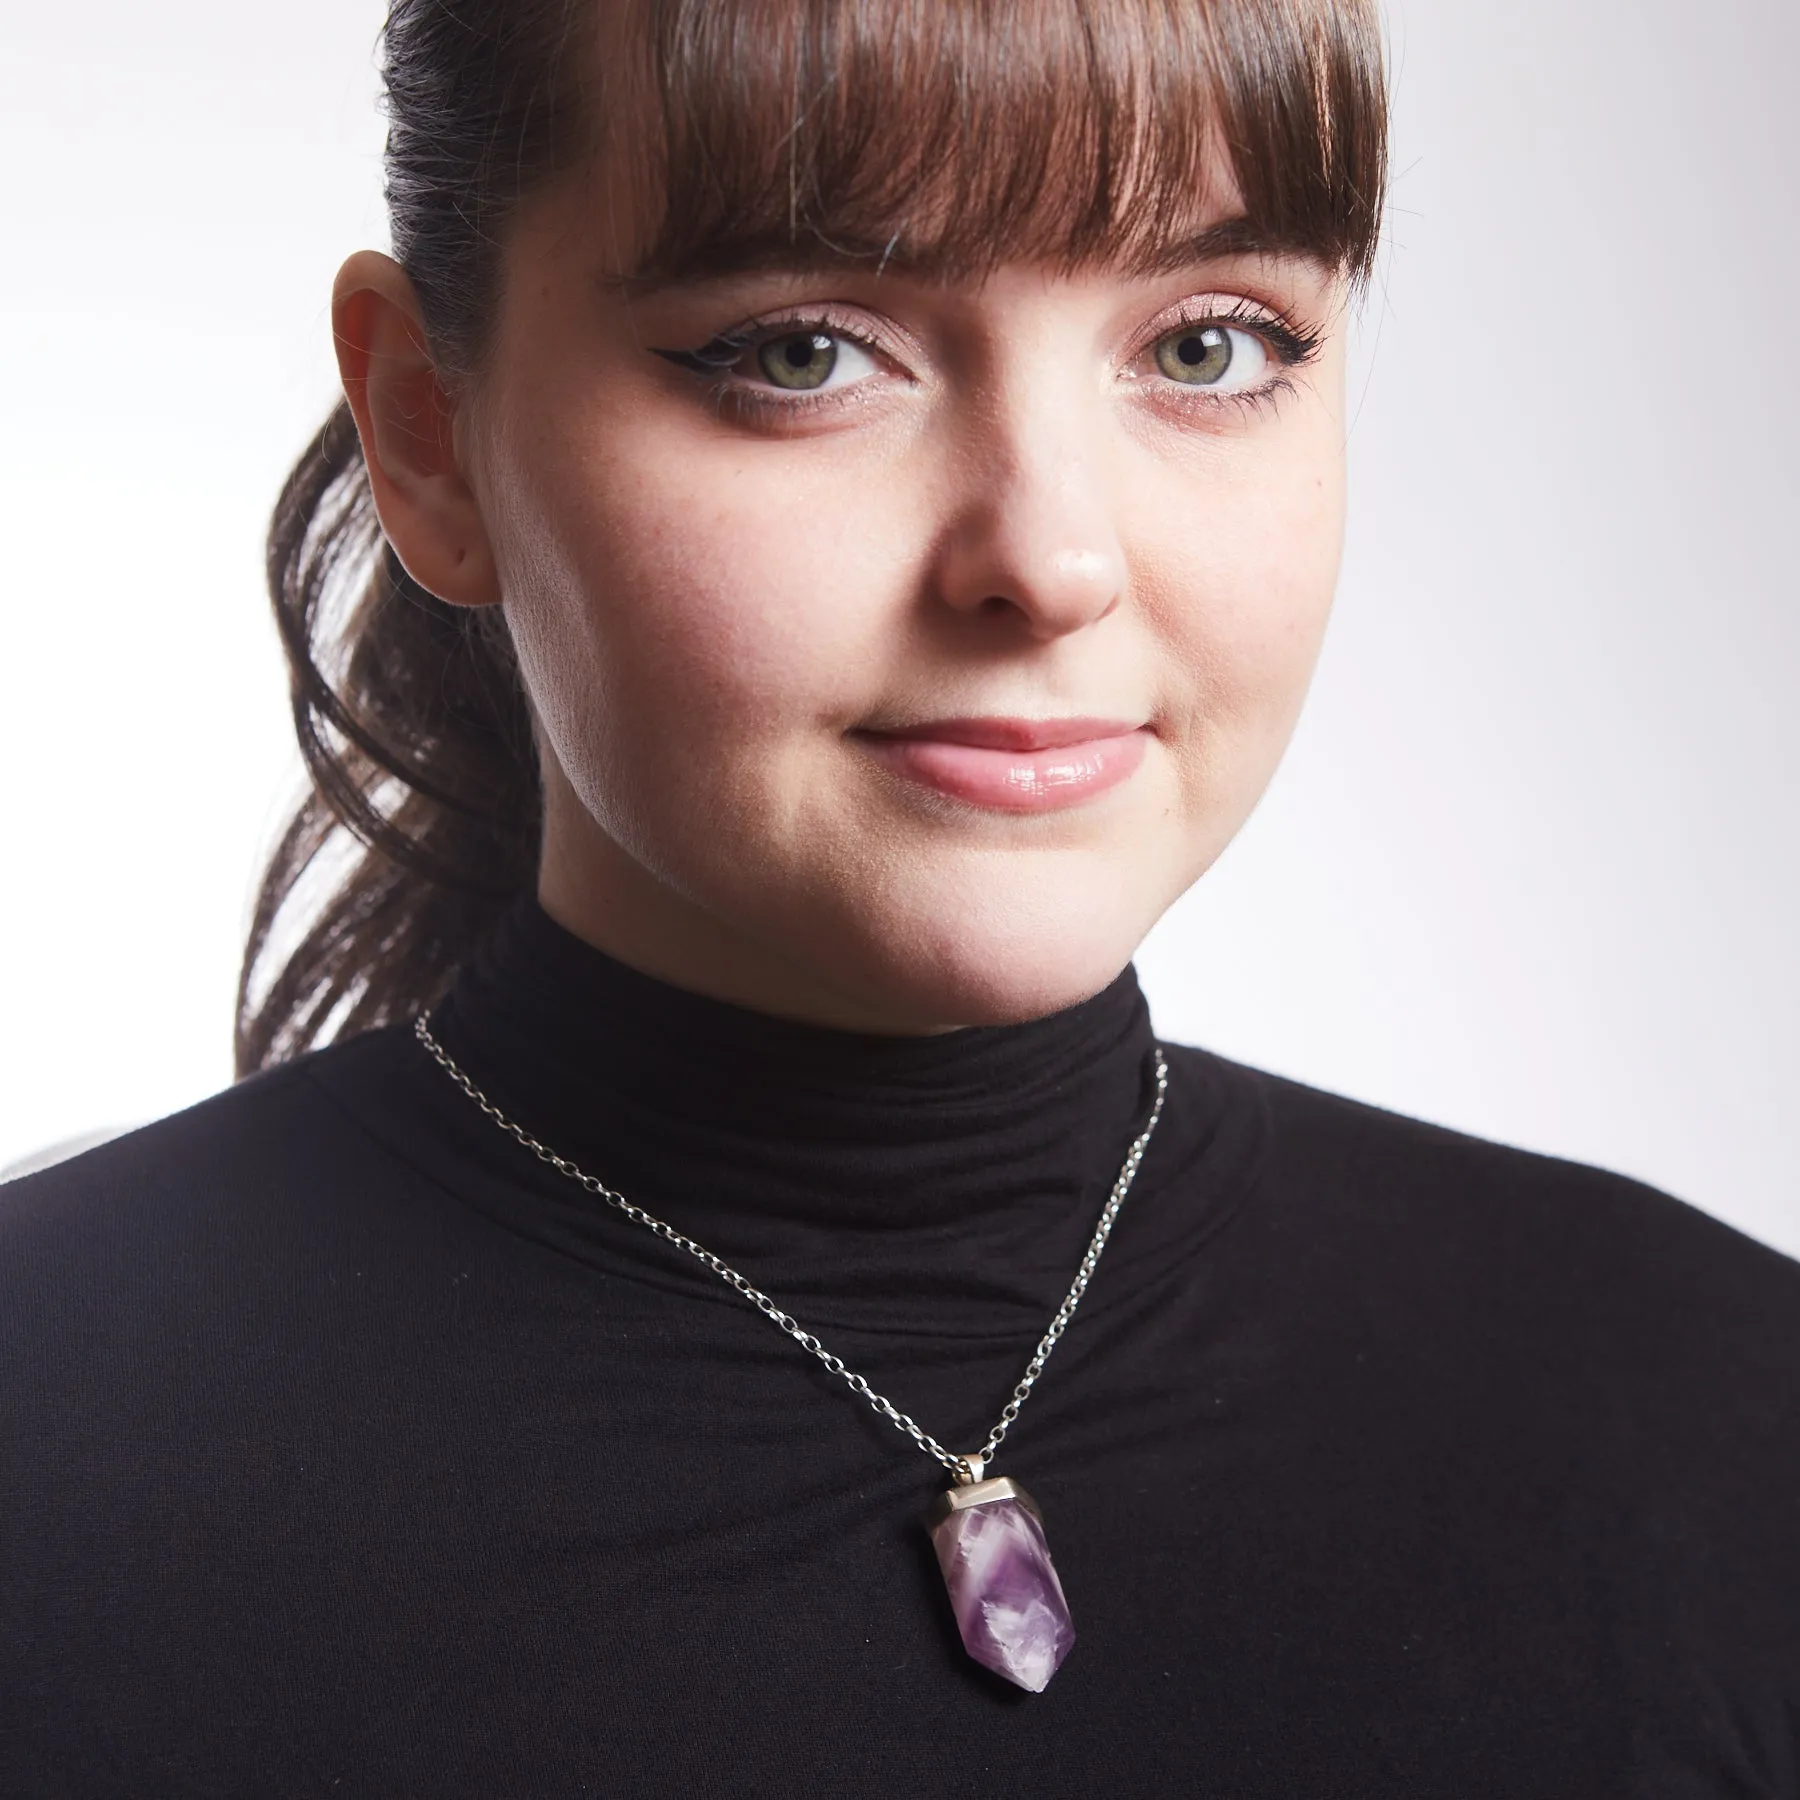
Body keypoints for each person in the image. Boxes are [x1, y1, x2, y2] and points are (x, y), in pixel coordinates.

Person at [3, 0, 1796, 1793]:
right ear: (427, 432)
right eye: (801, 354)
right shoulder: (54, 1458)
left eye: (1208, 344)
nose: (1054, 557)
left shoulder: (1728, 1427)